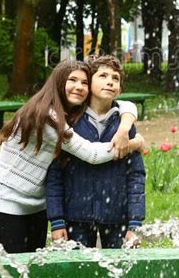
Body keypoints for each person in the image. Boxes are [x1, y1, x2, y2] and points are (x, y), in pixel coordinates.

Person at [0, 59, 143, 253]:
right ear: (58, 82)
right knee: (11, 266)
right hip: (8, 199)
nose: (79, 87)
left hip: (37, 203)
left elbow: (126, 105)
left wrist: (126, 126)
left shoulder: (71, 114)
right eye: (72, 80)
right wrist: (135, 143)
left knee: (33, 267)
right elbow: (91, 154)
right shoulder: (48, 117)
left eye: (84, 82)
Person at [46, 55, 146, 248]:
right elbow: (55, 174)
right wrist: (57, 220)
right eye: (103, 76)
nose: (110, 81)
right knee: (79, 273)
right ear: (89, 83)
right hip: (76, 217)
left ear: (120, 89)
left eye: (115, 78)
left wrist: (135, 222)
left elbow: (136, 175)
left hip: (117, 217)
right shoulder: (71, 122)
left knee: (121, 272)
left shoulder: (124, 125)